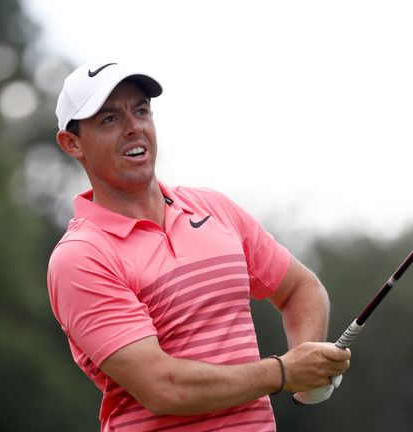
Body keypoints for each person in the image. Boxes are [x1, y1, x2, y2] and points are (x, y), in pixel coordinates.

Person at [47, 61, 351, 432]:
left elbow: (300, 288)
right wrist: (284, 372)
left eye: (141, 111)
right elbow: (163, 387)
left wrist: (307, 371)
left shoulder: (213, 209)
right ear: (72, 143)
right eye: (109, 119)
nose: (134, 128)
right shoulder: (81, 256)